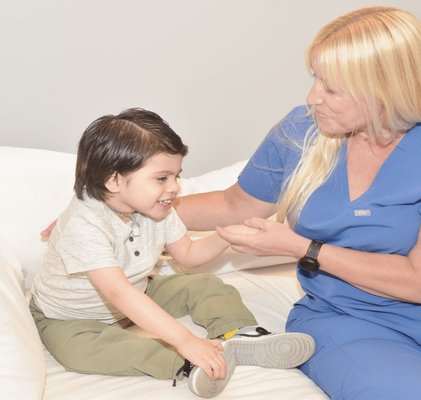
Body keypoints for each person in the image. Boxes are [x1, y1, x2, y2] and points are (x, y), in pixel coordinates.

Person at [171, 7, 421, 400]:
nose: (313, 98)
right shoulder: (301, 131)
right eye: (315, 79)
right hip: (346, 318)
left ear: (386, 91)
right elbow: (232, 206)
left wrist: (303, 249)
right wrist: (130, 209)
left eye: (331, 88)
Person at [31, 108, 315, 399]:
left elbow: (189, 255)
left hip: (138, 292)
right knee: (80, 352)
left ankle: (239, 334)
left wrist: (224, 236)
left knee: (205, 285)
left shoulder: (159, 211)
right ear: (113, 180)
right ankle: (187, 364)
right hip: (70, 318)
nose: (175, 188)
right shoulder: (84, 223)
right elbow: (118, 294)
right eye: (162, 178)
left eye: (177, 176)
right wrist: (186, 340)